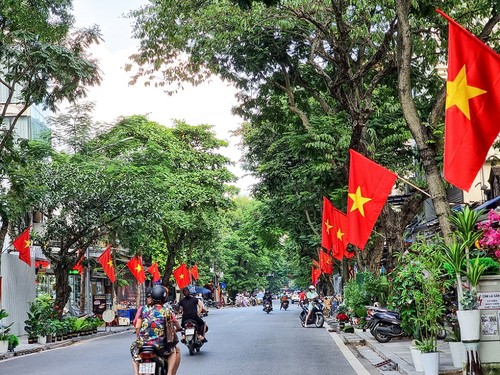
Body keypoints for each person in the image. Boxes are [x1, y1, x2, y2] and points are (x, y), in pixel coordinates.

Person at [131, 285, 181, 375]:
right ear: (164, 297)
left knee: (135, 354)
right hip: (158, 345)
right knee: (173, 350)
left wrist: (139, 338)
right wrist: (177, 329)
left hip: (143, 344)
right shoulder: (166, 310)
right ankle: (169, 373)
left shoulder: (143, 309)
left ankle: (136, 373)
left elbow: (137, 327)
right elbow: (171, 326)